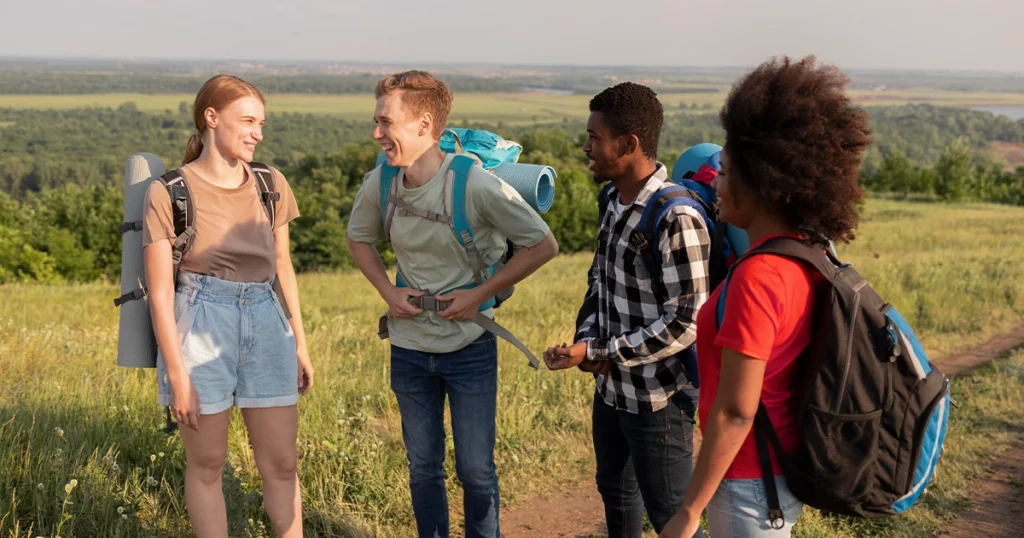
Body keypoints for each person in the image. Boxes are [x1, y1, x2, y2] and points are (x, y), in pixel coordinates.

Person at [659, 56, 872, 538]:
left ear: (764, 184)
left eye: (728, 173)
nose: (717, 184)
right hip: (776, 470)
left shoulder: (759, 275)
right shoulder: (808, 256)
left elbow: (737, 410)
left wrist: (690, 510)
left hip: (750, 481)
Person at [345, 70, 558, 538]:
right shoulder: (382, 182)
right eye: (376, 121)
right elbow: (358, 239)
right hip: (409, 345)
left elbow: (543, 245)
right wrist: (387, 291)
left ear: (424, 125)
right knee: (423, 467)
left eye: (386, 122)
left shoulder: (475, 185)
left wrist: (478, 296)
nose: (376, 133)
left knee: (476, 471)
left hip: (470, 347)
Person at [143, 74, 313, 538]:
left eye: (262, 123)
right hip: (200, 321)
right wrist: (178, 376)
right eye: (249, 121)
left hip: (266, 318)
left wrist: (299, 344)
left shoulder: (270, 183)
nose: (258, 132)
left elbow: (283, 268)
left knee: (281, 463)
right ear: (211, 118)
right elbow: (160, 292)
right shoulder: (169, 191)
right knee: (209, 464)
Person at [544, 82, 709, 538]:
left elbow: (686, 322)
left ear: (630, 144)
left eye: (595, 137)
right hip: (612, 390)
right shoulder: (612, 201)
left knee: (670, 517)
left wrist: (601, 349)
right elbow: (601, 282)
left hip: (661, 400)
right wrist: (587, 345)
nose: (586, 147)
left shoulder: (677, 217)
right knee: (615, 497)